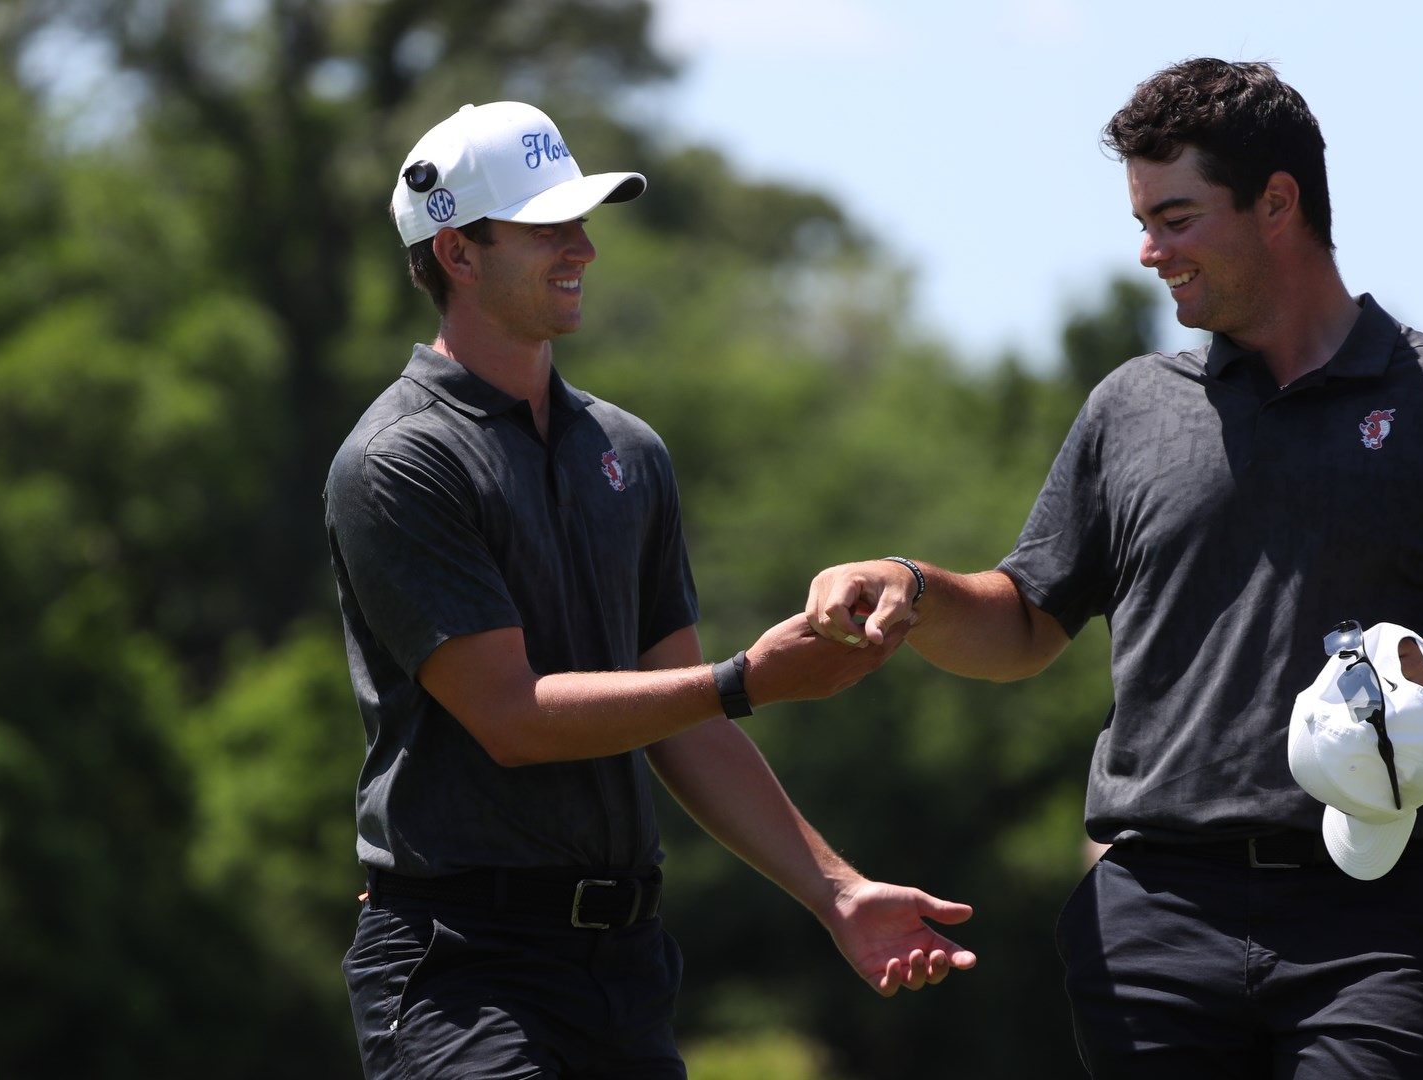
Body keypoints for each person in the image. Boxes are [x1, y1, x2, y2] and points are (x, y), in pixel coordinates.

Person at [803, 58, 1423, 1079]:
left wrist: (1412, 673)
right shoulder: (1131, 406)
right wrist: (915, 588)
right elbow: (1024, 623)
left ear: (1277, 202)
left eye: (1176, 218)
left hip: (1379, 914)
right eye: (1143, 220)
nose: (1151, 251)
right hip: (1153, 916)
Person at [323, 101, 975, 1078]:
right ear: (457, 252)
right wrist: (745, 680)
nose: (583, 248)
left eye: (581, 223)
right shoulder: (399, 459)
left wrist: (836, 891)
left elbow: (685, 723)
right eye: (546, 228)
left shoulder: (628, 451)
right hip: (461, 966)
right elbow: (512, 718)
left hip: (625, 968)